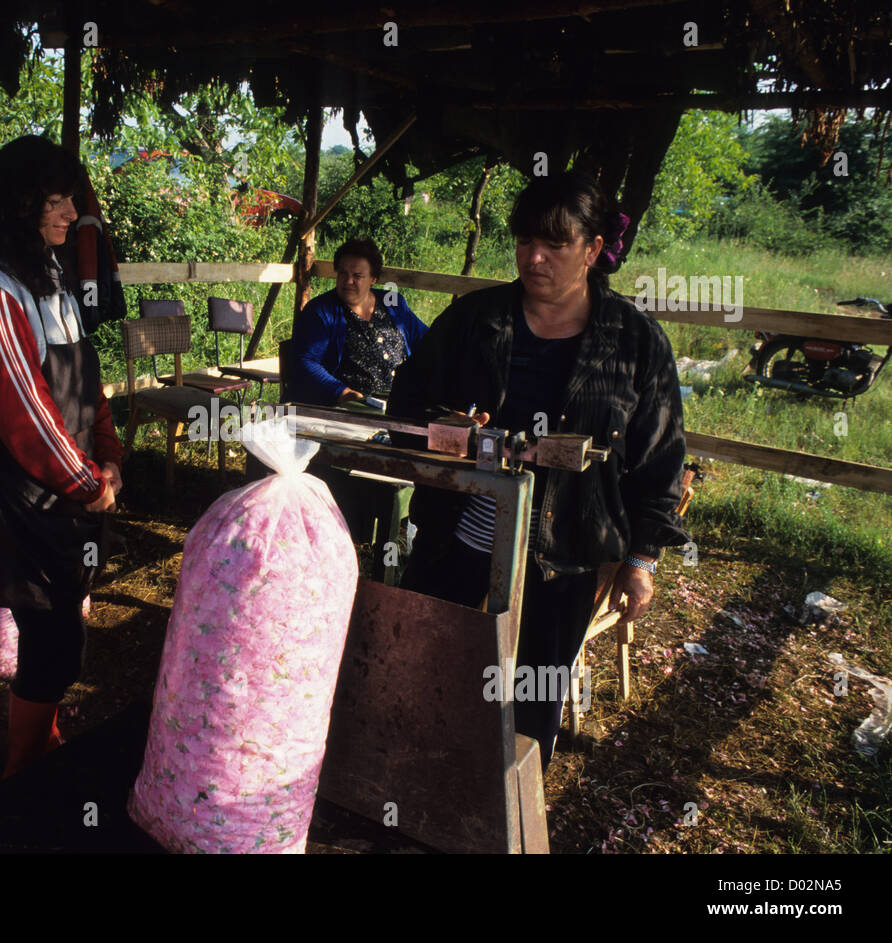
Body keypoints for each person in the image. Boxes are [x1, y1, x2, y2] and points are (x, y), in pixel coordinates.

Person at [389, 171, 689, 770]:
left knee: (531, 693)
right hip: (461, 528)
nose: (534, 257)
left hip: (566, 547)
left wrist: (641, 560)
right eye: (526, 240)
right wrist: (453, 427)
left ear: (594, 249)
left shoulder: (634, 342)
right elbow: (408, 404)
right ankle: (412, 784)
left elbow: (659, 458)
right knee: (425, 661)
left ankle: (506, 806)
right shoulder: (476, 320)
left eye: (555, 243)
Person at [0, 136, 123, 778]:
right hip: (31, 493)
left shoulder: (52, 278)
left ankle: (44, 739)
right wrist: (87, 481)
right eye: (53, 201)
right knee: (51, 640)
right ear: (19, 205)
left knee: (62, 635)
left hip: (75, 485)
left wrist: (109, 457)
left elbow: (86, 381)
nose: (67, 213)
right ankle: (21, 771)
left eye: (70, 199)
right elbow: (25, 414)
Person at [287, 238, 428, 408]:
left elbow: (427, 341)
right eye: (342, 273)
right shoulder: (320, 311)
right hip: (347, 408)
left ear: (373, 278)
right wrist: (342, 392)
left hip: (397, 403)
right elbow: (305, 362)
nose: (348, 281)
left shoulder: (392, 302)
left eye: (357, 276)